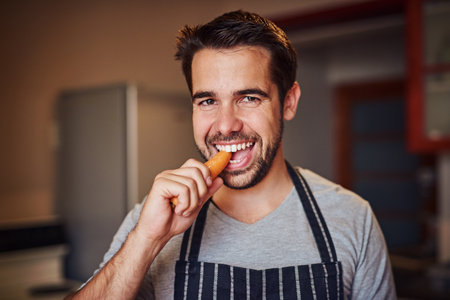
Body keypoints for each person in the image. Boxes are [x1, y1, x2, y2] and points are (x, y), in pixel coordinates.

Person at [67, 10, 396, 300]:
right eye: (208, 101)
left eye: (249, 98)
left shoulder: (352, 218)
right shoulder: (153, 219)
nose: (225, 125)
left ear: (289, 102)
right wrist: (148, 240)